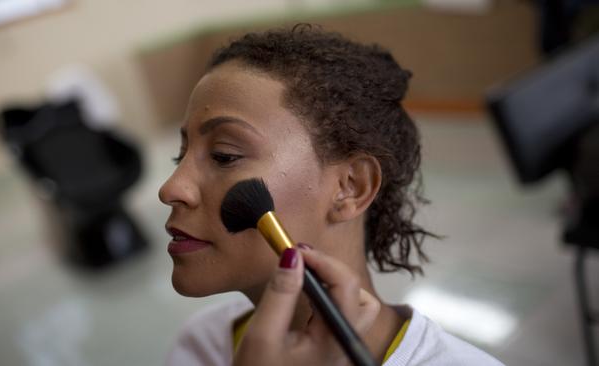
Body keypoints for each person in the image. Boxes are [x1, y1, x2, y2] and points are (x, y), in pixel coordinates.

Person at [158, 24, 504, 365]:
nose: (171, 188)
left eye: (224, 155)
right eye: (181, 154)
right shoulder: (202, 344)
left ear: (351, 187)